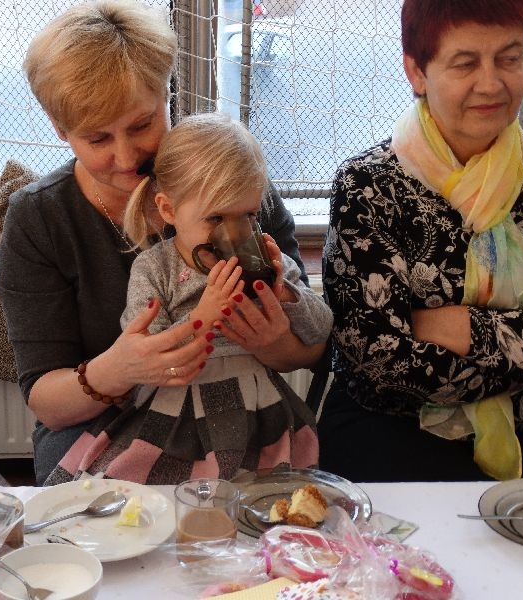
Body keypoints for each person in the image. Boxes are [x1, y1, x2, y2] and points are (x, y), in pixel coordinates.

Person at [0, 0, 326, 485]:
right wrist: (119, 369)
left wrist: (276, 343)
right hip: (97, 423)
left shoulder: (231, 187)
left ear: (166, 95)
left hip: (236, 411)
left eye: (142, 124)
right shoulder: (40, 219)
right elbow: (47, 401)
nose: (127, 156)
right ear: (60, 130)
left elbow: (313, 347)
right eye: (98, 139)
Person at [319, 0, 523, 482]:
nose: (491, 84)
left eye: (510, 58)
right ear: (417, 71)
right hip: (393, 430)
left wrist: (464, 329)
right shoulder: (368, 186)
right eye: (465, 63)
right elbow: (384, 362)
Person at [41, 113, 332, 484]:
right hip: (175, 414)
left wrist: (287, 293)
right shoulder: (155, 268)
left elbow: (321, 328)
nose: (236, 233)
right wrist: (203, 318)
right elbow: (146, 348)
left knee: (265, 496)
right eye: (216, 219)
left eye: (248, 215)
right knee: (137, 493)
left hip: (256, 411)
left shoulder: (267, 261)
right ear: (169, 210)